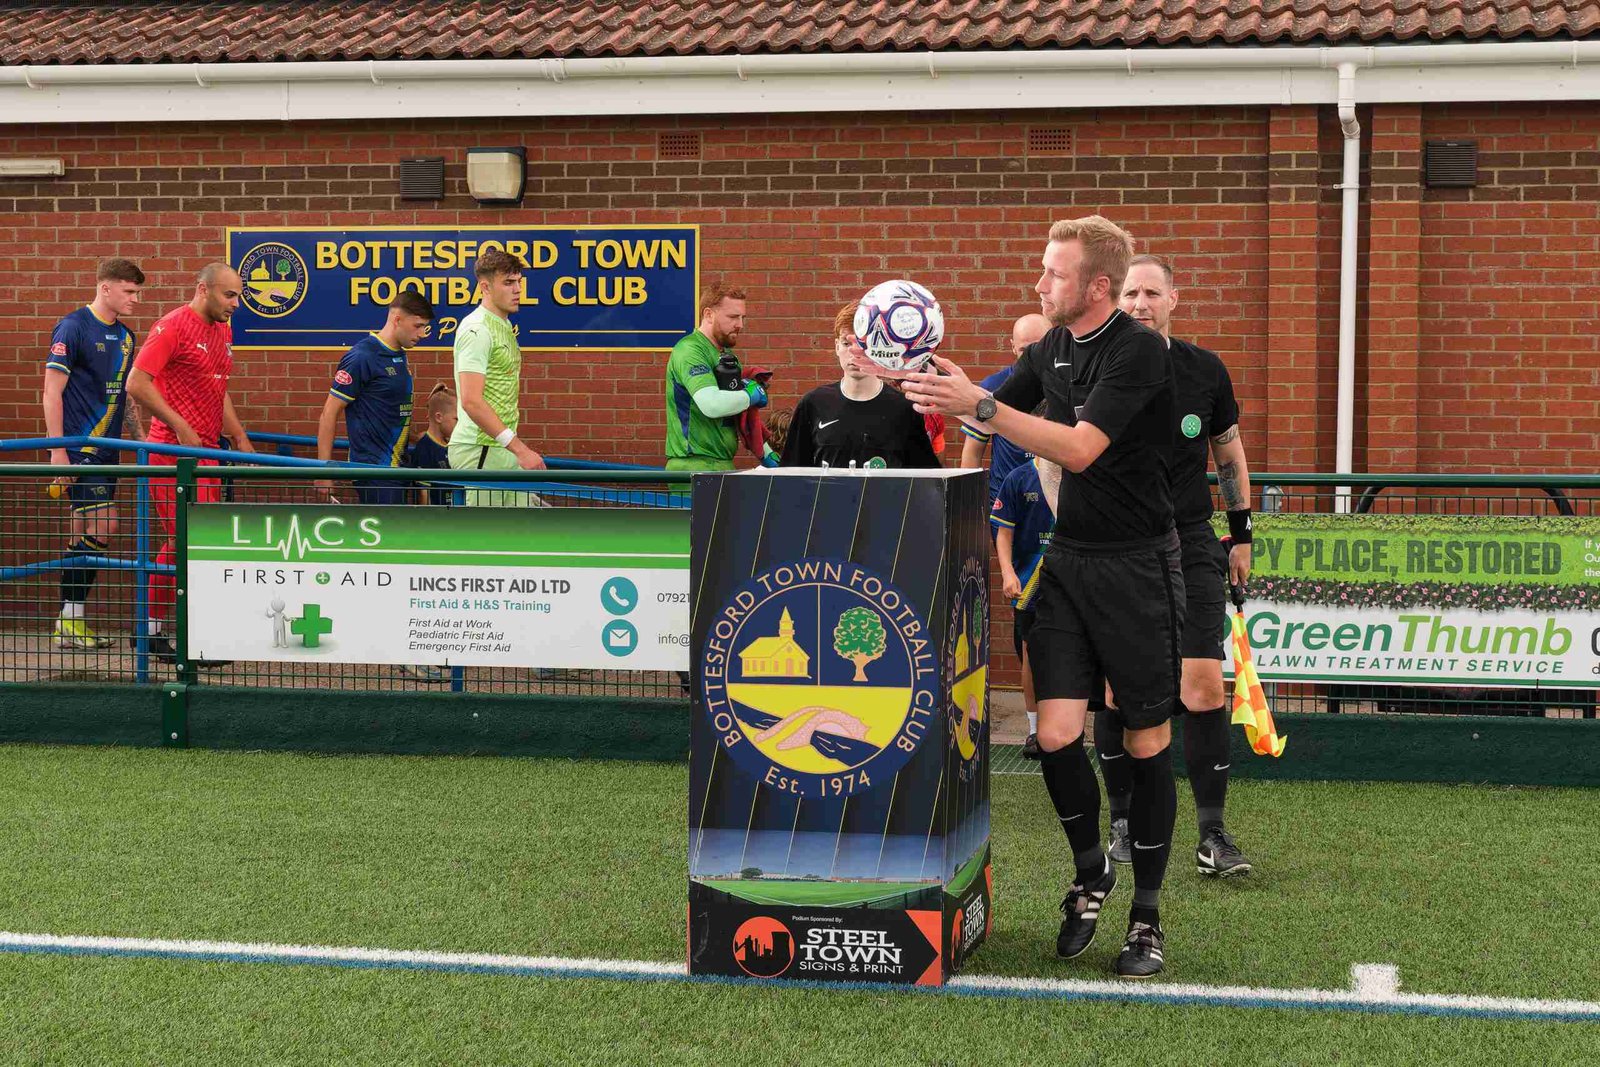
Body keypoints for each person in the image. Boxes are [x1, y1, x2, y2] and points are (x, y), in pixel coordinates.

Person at [900, 215, 1181, 979]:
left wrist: (984, 406)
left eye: (1054, 273)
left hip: (1138, 569)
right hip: (1067, 563)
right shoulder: (1050, 346)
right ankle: (1092, 873)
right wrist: (931, 381)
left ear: (1097, 285)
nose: (1039, 283)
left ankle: (1147, 917)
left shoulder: (1138, 350)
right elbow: (982, 410)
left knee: (1145, 740)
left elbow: (1080, 449)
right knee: (1055, 734)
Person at [1096, 254, 1256, 877]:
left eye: (1151, 293)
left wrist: (1241, 534)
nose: (1140, 303)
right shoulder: (1096, 364)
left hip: (1190, 540)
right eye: (1129, 293)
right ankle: (1123, 823)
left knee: (1204, 685)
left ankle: (1213, 834)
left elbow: (1229, 456)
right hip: (1119, 546)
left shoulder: (1204, 370)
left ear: (1173, 299)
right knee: (1119, 689)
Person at [126, 262, 255, 666]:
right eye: (229, 295)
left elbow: (218, 388)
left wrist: (239, 436)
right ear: (203, 289)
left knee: (198, 543)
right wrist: (180, 425)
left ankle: (177, 633)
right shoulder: (172, 326)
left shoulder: (223, 330)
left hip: (208, 454)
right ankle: (159, 632)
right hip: (171, 454)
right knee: (185, 541)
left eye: (239, 295)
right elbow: (136, 382)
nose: (236, 303)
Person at [41, 257, 146, 650]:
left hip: (110, 451)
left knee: (82, 531)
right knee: (105, 526)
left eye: (137, 292)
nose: (135, 299)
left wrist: (141, 441)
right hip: (77, 451)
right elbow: (51, 392)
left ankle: (68, 622)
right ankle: (69, 620)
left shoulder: (127, 337)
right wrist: (58, 453)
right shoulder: (73, 327)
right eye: (129, 291)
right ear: (106, 288)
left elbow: (125, 397)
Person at [781, 305, 940, 470]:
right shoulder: (813, 404)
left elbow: (924, 478)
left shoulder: (905, 409)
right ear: (837, 346)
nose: (855, 353)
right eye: (846, 343)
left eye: (864, 344)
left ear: (879, 348)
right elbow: (791, 473)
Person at [315, 290, 435, 505]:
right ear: (397, 320)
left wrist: (418, 436)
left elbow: (386, 412)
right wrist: (323, 470)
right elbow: (328, 413)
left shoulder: (399, 354)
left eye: (425, 327)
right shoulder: (362, 356)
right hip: (374, 471)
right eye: (417, 326)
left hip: (398, 469)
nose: (422, 334)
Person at [449, 249, 546, 507]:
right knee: (487, 531)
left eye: (519, 282)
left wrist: (513, 448)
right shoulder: (477, 329)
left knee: (521, 527)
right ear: (485, 287)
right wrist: (520, 449)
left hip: (501, 448)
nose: (518, 290)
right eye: (508, 282)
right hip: (480, 447)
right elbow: (471, 401)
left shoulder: (501, 325)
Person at [989, 455, 1059, 761]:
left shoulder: (1081, 472)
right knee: (1031, 654)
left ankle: (1070, 725)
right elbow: (1004, 532)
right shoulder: (1018, 478)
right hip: (1031, 583)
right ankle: (1033, 730)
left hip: (1074, 579)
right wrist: (1007, 573)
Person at [664, 279, 775, 471]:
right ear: (708, 314)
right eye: (733, 317)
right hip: (692, 464)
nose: (740, 325)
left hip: (723, 463)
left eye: (742, 318)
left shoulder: (728, 357)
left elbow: (742, 418)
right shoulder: (690, 350)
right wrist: (751, 395)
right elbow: (712, 405)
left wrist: (766, 453)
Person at [958, 313, 1051, 504]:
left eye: (1038, 347)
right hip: (1005, 501)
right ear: (1013, 347)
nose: (1031, 356)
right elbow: (972, 452)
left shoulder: (1069, 384)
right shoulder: (994, 385)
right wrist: (970, 507)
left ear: (1053, 343)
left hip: (1055, 501)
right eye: (1024, 349)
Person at [404, 383, 456, 506]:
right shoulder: (425, 449)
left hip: (455, 512)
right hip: (437, 515)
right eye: (456, 419)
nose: (460, 425)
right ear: (439, 417)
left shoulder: (451, 444)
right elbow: (423, 493)